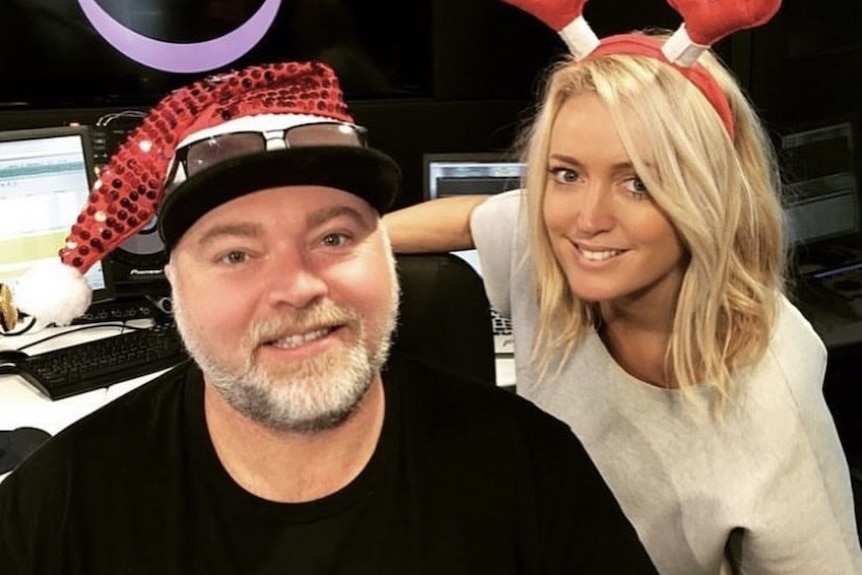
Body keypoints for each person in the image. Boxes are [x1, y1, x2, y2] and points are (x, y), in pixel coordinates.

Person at [0, 61, 660, 574]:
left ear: (386, 253)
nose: (295, 285)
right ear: (174, 283)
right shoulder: (61, 505)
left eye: (336, 238)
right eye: (236, 252)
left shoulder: (531, 467)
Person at [383, 1, 862, 574]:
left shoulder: (771, 400)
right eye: (567, 174)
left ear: (709, 195)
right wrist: (346, 251)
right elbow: (471, 217)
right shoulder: (550, 245)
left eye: (638, 182)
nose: (586, 220)